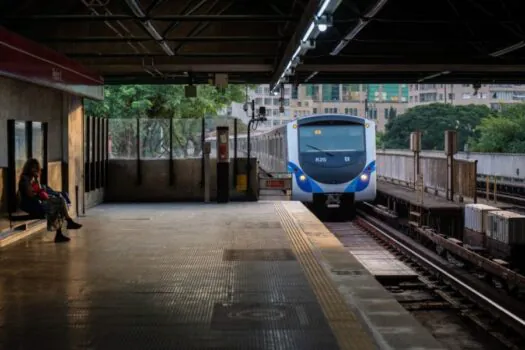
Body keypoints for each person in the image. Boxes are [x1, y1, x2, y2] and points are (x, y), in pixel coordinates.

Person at [18, 158, 82, 243]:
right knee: (58, 203)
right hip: (30, 204)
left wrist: (37, 183)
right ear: (28, 168)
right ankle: (67, 223)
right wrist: (37, 186)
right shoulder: (25, 179)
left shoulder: (32, 178)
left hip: (37, 202)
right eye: (32, 167)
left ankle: (60, 233)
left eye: (36, 168)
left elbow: (39, 191)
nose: (34, 170)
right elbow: (31, 195)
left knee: (59, 204)